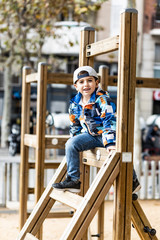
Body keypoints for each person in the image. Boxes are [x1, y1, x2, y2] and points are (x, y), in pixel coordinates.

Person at [52, 66, 140, 193]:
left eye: (89, 80)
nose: (86, 84)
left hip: (108, 133)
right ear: (76, 86)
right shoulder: (75, 104)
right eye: (81, 82)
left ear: (96, 83)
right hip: (91, 136)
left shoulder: (102, 99)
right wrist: (76, 138)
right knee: (71, 144)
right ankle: (73, 180)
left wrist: (110, 142)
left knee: (117, 153)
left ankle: (132, 182)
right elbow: (75, 124)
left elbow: (109, 119)